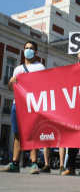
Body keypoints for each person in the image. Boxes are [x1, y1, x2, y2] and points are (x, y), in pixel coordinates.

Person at [0, 41, 45, 174]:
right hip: (17, 104)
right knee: (17, 135)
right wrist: (10, 83)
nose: (28, 50)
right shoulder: (18, 69)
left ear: (36, 52)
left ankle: (34, 164)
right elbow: (12, 88)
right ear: (23, 50)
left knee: (33, 133)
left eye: (31, 48)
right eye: (26, 48)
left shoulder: (40, 67)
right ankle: (15, 163)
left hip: (32, 105)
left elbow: (44, 85)